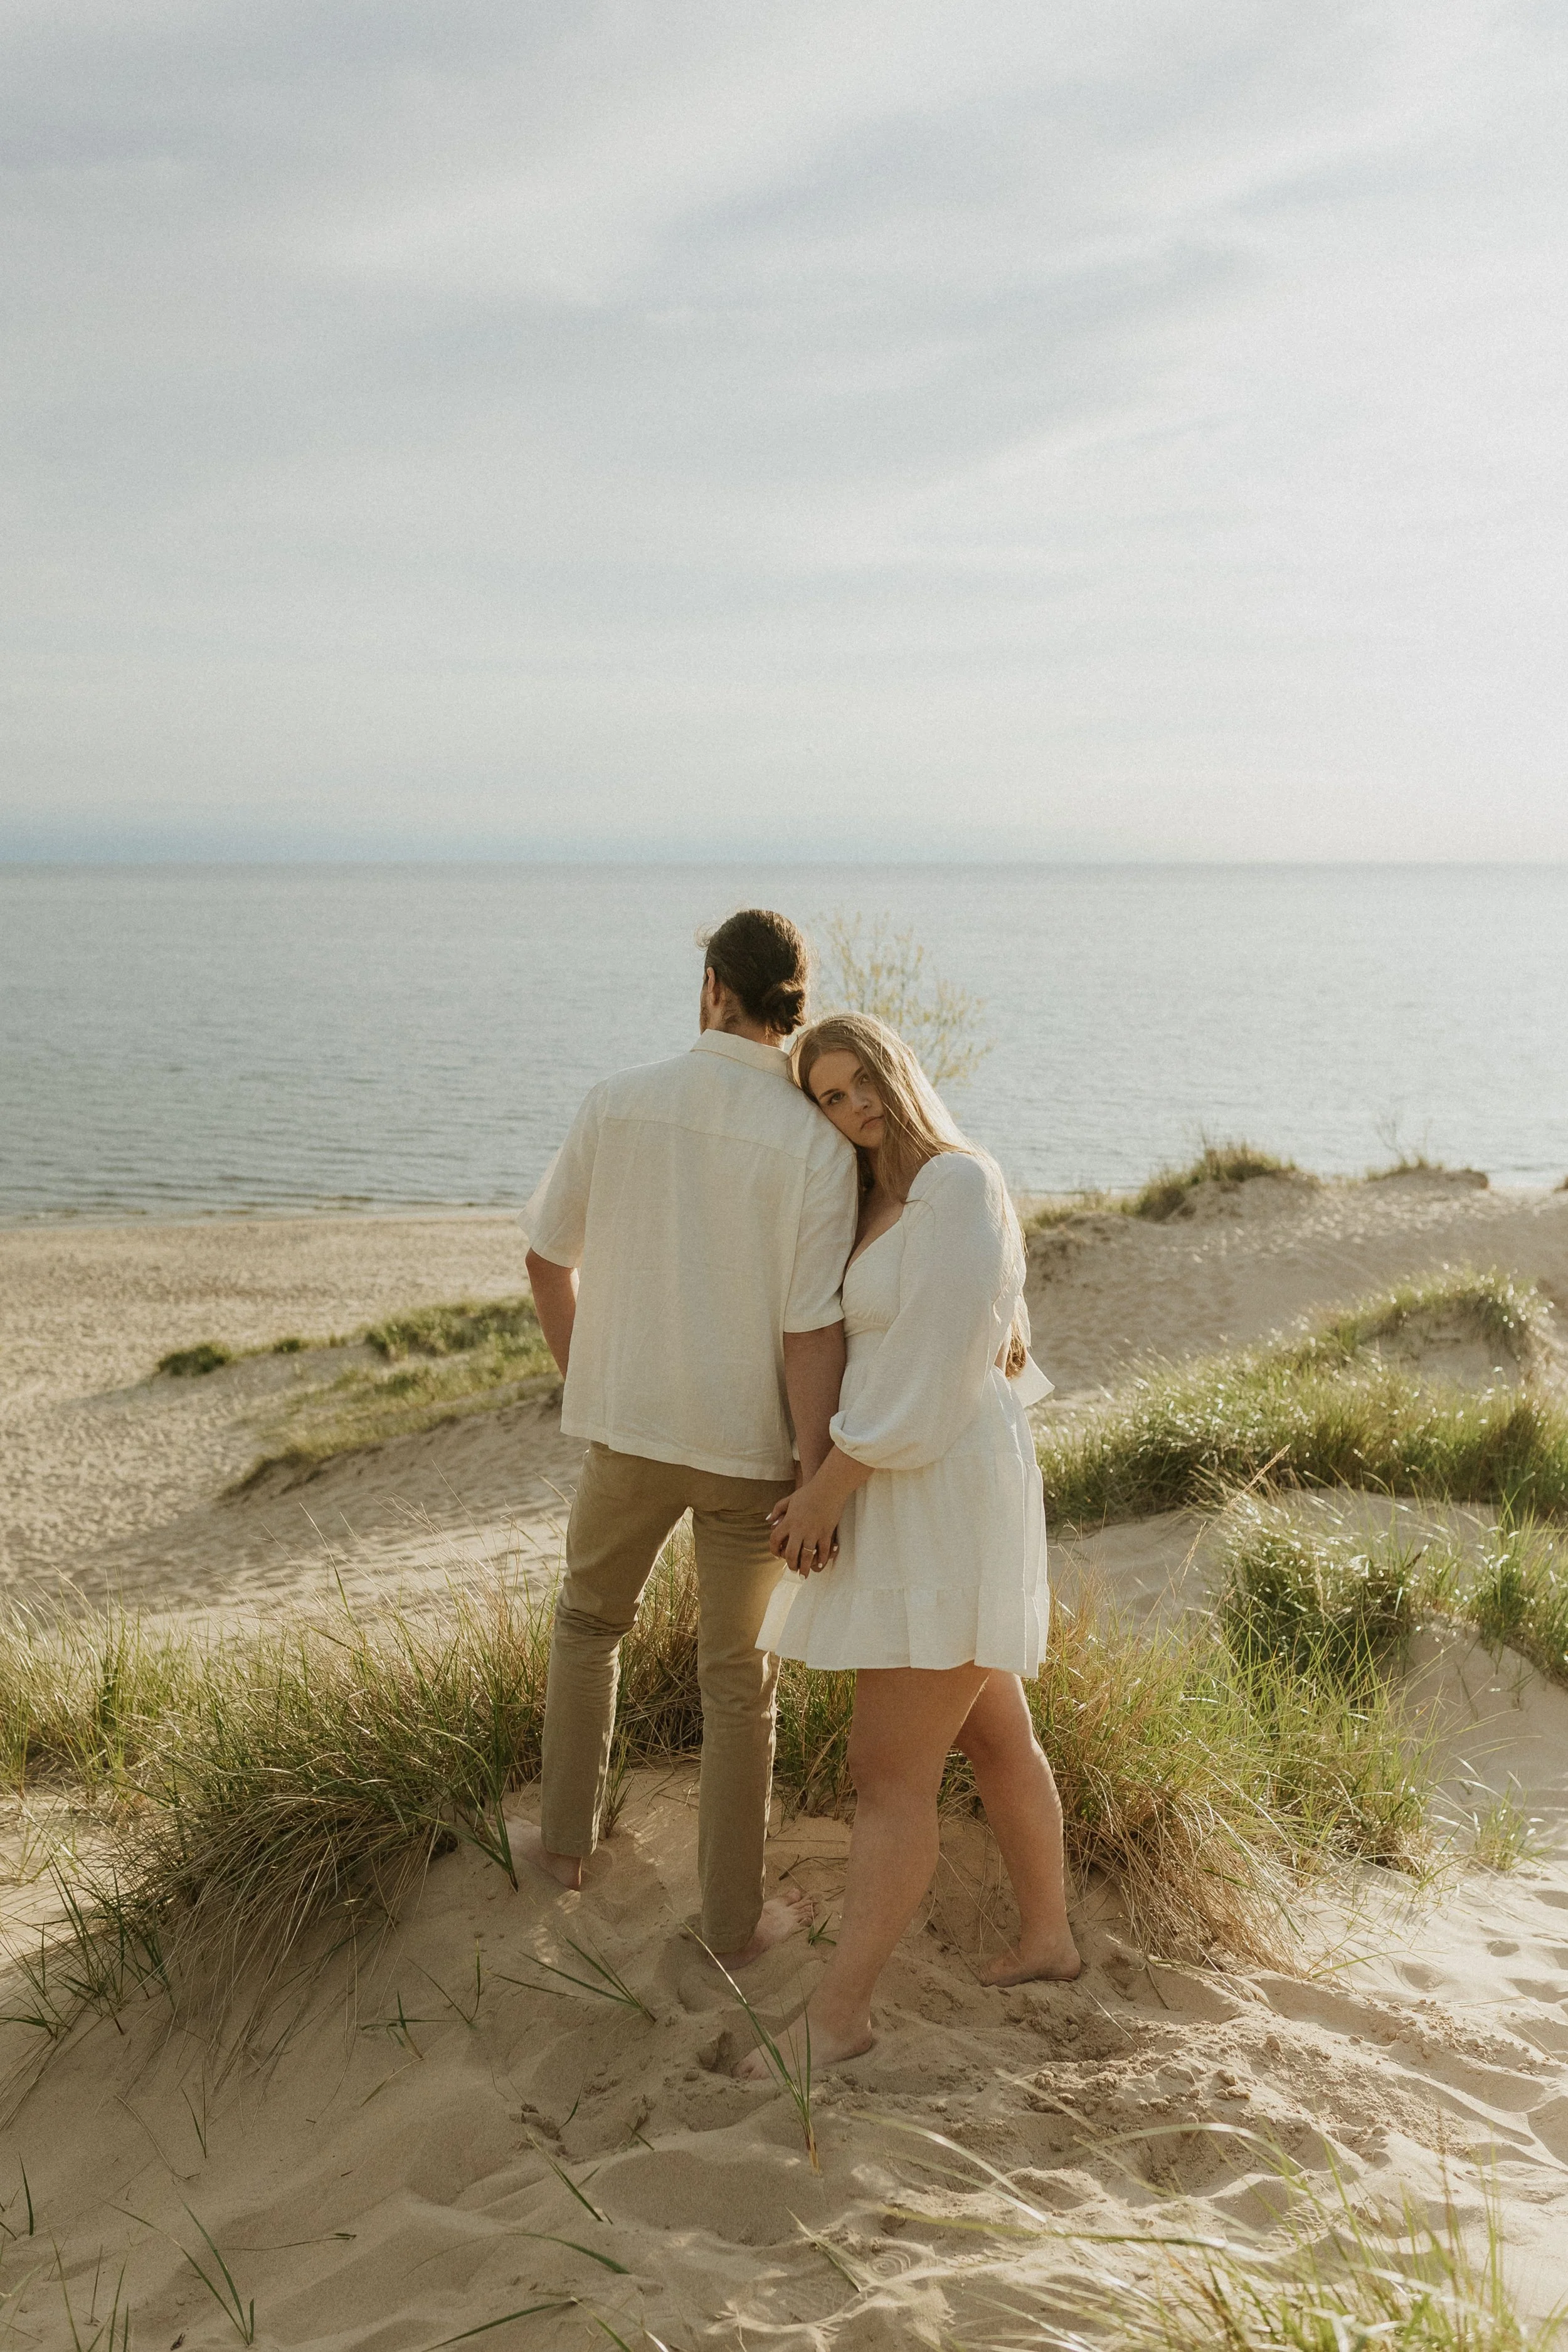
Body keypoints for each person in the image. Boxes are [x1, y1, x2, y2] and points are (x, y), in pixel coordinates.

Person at [517, 911, 859, 1965]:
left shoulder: (619, 1101)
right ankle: (729, 1922)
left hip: (631, 1432)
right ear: (789, 1006)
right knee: (737, 1687)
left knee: (587, 1624)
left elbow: (543, 1256)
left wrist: (599, 1381)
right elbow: (811, 1328)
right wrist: (813, 1477)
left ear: (714, 986)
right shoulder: (815, 1140)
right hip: (750, 1449)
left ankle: (566, 1849)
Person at [744, 1011, 1080, 2072]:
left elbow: (940, 1366)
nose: (852, 1111)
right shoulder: (879, 1202)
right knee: (989, 1733)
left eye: (861, 1084)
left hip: (938, 1485)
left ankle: (838, 2016)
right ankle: (1052, 1939)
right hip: (912, 1483)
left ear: (899, 1072)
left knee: (887, 1770)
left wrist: (828, 1488)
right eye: (828, 1099)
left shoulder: (958, 1185)